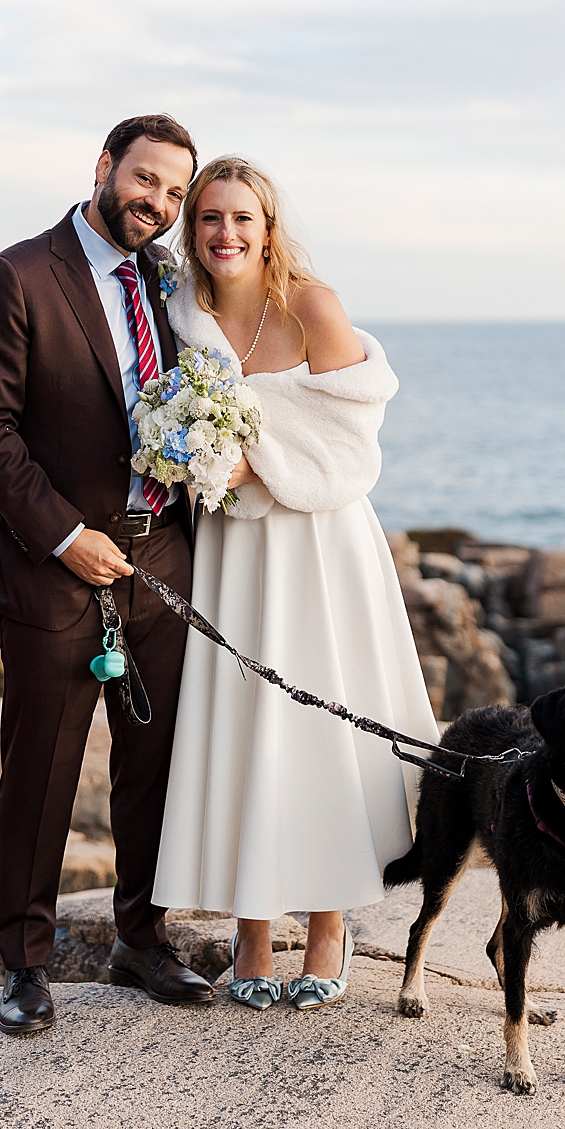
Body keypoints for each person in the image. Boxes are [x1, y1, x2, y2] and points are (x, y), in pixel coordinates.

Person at [150, 157, 438, 1011]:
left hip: (320, 545)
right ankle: (249, 938)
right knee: (241, 727)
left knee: (320, 728)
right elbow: (166, 414)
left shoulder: (311, 304)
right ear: (191, 230)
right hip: (234, 553)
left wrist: (253, 456)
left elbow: (354, 441)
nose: (224, 234)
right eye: (207, 219)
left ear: (268, 227)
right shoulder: (184, 310)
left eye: (241, 218)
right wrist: (196, 454)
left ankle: (326, 929)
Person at [0, 114, 217, 1035]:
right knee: (41, 773)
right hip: (51, 572)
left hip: (161, 564)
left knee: (153, 767)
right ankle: (23, 965)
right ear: (105, 167)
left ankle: (140, 938)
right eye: (147, 180)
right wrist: (65, 537)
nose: (159, 204)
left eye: (176, 193)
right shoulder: (18, 275)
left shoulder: (172, 286)